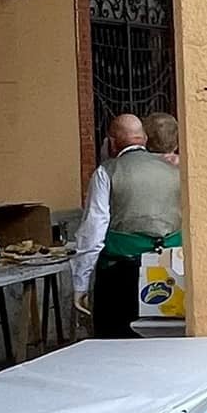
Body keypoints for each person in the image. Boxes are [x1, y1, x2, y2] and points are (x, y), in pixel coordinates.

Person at [72, 110, 182, 338]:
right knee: (166, 340)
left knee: (117, 343)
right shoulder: (177, 170)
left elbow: (94, 231)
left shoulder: (106, 172)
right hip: (170, 268)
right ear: (143, 139)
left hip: (122, 271)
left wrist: (81, 283)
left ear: (111, 142)